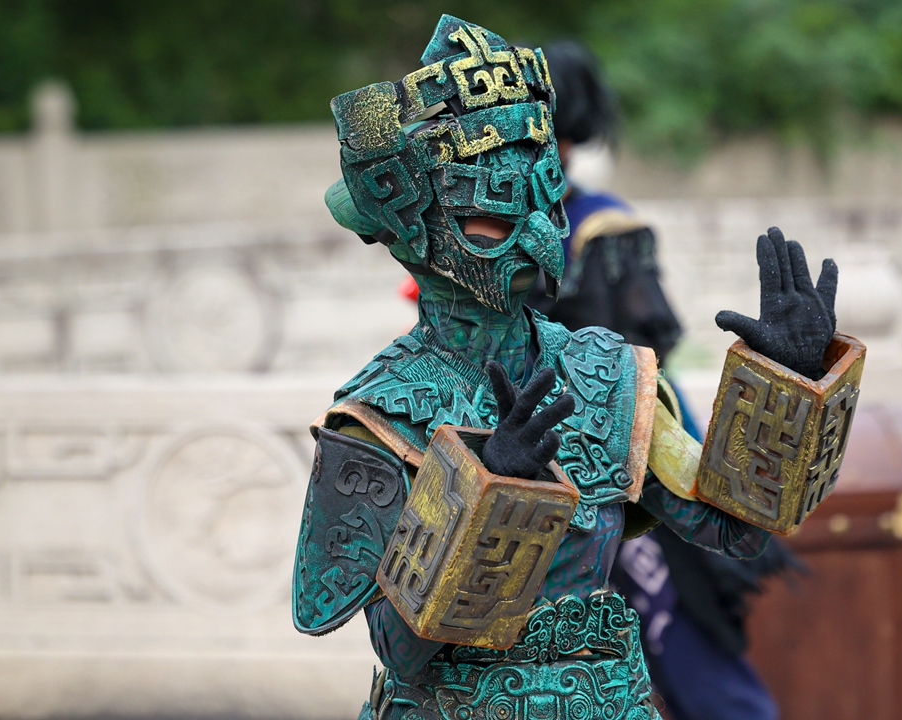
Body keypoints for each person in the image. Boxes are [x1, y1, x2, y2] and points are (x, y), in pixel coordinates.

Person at [290, 15, 844, 720]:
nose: (531, 231)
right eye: (490, 215)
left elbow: (731, 525)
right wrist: (489, 492)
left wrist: (786, 388)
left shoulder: (605, 375)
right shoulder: (381, 414)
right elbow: (399, 649)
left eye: (540, 194)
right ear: (415, 230)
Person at [526, 41, 799, 720]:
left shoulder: (601, 225)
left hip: (624, 454)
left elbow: (642, 360)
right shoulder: (494, 227)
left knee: (683, 634)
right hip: (523, 473)